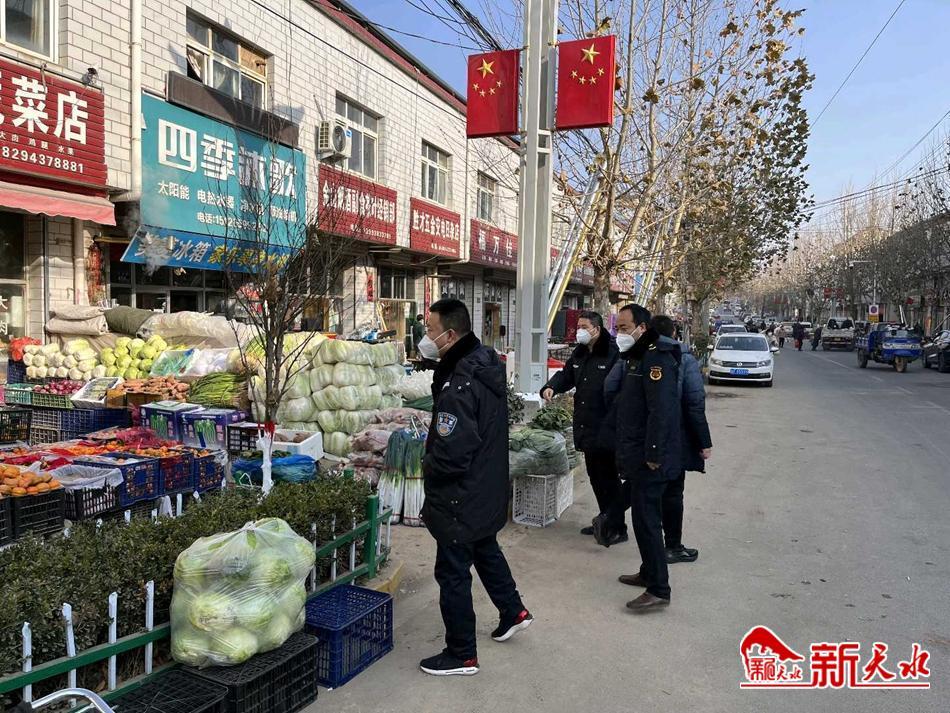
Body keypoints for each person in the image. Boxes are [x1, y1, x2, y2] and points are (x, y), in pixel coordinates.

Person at [417, 299, 532, 676]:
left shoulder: (459, 383)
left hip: (460, 493)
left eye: (430, 330)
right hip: (484, 485)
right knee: (483, 545)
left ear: (450, 335)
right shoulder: (483, 363)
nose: (426, 337)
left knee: (452, 571)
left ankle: (461, 653)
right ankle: (513, 610)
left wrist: (429, 469)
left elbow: (452, 452)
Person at [599, 304, 682, 612]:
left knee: (647, 522)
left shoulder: (656, 359)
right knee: (643, 518)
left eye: (623, 328)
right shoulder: (637, 356)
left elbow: (661, 411)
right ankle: (648, 572)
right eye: (616, 328)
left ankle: (659, 588)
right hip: (638, 454)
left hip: (651, 457)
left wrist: (654, 453)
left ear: (642, 328)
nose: (618, 333)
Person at [541, 311, 623, 540]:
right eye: (578, 327)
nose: (579, 331)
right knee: (595, 476)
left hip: (606, 426)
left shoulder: (613, 353)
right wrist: (551, 386)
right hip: (586, 425)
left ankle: (617, 526)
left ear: (597, 329)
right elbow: (566, 375)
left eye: (584, 327)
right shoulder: (580, 353)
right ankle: (604, 519)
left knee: (609, 478)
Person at [651, 316, 712, 563]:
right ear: (674, 334)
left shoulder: (635, 356)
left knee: (645, 492)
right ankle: (672, 546)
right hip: (674, 438)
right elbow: (694, 403)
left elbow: (612, 390)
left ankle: (613, 520)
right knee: (673, 492)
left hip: (643, 438)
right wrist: (703, 442)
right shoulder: (683, 359)